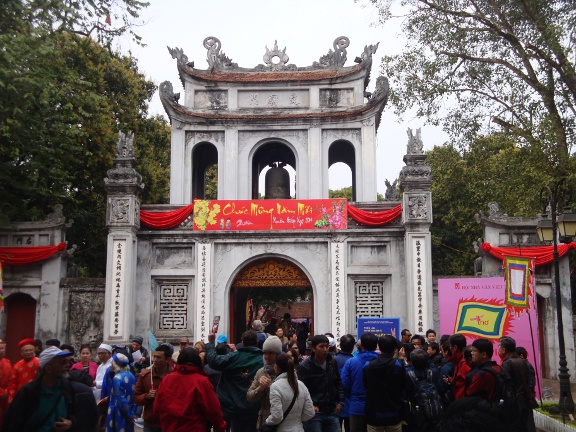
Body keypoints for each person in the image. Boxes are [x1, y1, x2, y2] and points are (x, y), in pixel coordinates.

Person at [3, 345, 98, 431]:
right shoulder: (28, 392)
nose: (68, 365)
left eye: (67, 361)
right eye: (62, 362)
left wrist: (71, 423)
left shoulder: (66, 388)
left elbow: (75, 415)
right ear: (48, 368)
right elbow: (12, 424)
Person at [154, 347, 227, 432]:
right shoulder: (201, 381)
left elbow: (156, 408)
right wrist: (220, 427)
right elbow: (214, 410)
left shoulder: (167, 379)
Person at [206, 330, 263, 432]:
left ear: (243, 343)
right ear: (257, 342)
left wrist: (211, 342)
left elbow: (213, 361)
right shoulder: (263, 359)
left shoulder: (234, 357)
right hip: (254, 408)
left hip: (233, 407)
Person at [297, 334, 344, 432]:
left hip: (332, 410)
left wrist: (341, 402)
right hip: (315, 414)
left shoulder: (331, 363)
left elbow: (338, 382)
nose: (325, 349)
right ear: (314, 349)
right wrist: (310, 405)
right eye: (321, 346)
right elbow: (300, 389)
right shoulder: (305, 367)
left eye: (327, 346)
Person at [363, 335, 406, 432]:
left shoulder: (368, 365)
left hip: (374, 414)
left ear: (379, 347)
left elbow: (365, 384)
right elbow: (402, 386)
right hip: (394, 413)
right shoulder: (398, 366)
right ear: (394, 349)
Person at [264, 352, 315, 431]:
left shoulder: (275, 387)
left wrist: (267, 421)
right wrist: (296, 420)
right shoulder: (301, 385)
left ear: (276, 368)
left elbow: (277, 416)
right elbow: (310, 412)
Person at [341, 333, 379, 432]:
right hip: (377, 408)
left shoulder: (351, 362)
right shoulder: (381, 362)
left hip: (356, 407)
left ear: (361, 346)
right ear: (376, 346)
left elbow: (344, 384)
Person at [499, 337, 536, 432]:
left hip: (514, 403)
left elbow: (507, 386)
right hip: (523, 401)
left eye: (499, 346)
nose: (498, 348)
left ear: (504, 349)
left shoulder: (507, 363)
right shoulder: (522, 361)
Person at [135, 343, 174, 432]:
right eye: (154, 357)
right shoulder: (145, 375)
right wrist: (146, 396)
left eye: (159, 357)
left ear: (168, 360)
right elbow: (136, 399)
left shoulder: (175, 376)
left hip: (169, 422)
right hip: (150, 423)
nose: (155, 360)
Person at [247, 335, 283, 431]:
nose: (267, 357)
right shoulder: (261, 372)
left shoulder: (286, 371)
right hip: (265, 422)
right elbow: (249, 396)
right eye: (265, 353)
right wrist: (261, 388)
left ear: (278, 354)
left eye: (270, 354)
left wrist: (270, 386)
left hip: (284, 421)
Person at [405, 349, 441, 432]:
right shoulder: (433, 372)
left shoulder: (407, 373)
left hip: (415, 408)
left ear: (412, 362)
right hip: (434, 408)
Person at [105, 353, 136, 432]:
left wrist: (128, 414)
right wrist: (131, 412)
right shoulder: (131, 375)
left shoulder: (117, 378)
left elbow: (121, 399)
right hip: (130, 408)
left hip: (118, 412)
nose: (111, 365)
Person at [335, 334, 355, 432]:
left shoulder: (333, 360)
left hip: (336, 402)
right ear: (352, 347)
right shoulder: (354, 362)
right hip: (351, 402)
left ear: (340, 345)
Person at [8, 338, 39, 402]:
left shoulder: (39, 363)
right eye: (26, 350)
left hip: (35, 394)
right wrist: (11, 397)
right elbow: (13, 382)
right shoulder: (17, 365)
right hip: (20, 396)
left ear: (34, 351)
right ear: (21, 353)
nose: (28, 352)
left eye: (30, 350)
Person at [447, 334, 470, 400]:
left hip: (463, 401)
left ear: (455, 347)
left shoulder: (464, 363)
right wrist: (452, 380)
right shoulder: (458, 361)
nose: (449, 348)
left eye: (450, 346)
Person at [0, 338, 12, 423]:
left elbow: (11, 378)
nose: (1, 351)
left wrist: (7, 390)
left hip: (5, 396)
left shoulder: (7, 362)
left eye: (2, 348)